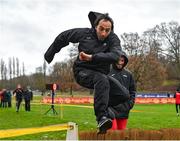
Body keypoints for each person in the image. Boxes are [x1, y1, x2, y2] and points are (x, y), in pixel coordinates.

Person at [44, 11, 122, 133]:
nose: (103, 33)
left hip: (101, 75)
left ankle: (107, 113)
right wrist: (50, 53)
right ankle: (101, 117)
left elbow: (116, 55)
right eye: (101, 29)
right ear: (95, 26)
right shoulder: (85, 33)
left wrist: (91, 57)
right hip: (82, 72)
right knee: (101, 79)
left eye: (107, 30)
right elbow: (64, 36)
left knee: (123, 94)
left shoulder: (113, 38)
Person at [108, 51, 136, 130]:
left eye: (122, 60)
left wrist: (130, 104)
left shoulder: (128, 74)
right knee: (113, 133)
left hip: (124, 109)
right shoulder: (107, 73)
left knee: (122, 133)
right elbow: (103, 90)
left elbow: (132, 91)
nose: (120, 62)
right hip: (111, 109)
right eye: (118, 60)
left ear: (125, 61)